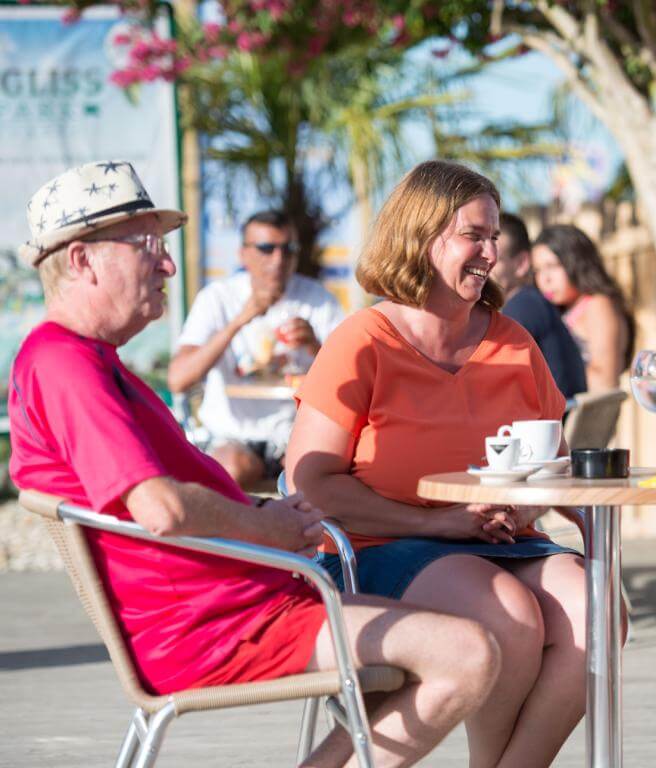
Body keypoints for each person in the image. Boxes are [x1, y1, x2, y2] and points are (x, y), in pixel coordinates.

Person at [8, 161, 499, 768]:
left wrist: (271, 514)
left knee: (452, 636)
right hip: (215, 628)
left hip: (239, 604)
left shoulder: (83, 362)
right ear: (82, 260)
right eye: (147, 246)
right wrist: (272, 529)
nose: (167, 264)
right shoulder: (65, 366)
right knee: (468, 654)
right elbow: (160, 508)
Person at [287, 161, 594, 767]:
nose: (491, 252)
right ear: (421, 237)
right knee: (511, 614)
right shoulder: (363, 340)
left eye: (494, 237)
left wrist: (586, 516)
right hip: (383, 546)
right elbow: (311, 484)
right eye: (474, 235)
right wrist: (442, 524)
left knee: (595, 609)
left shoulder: (513, 341)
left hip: (504, 540)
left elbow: (553, 464)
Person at [167, 210, 344, 488]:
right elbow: (178, 379)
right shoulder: (218, 298)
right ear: (243, 254)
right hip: (232, 436)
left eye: (289, 249)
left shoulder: (319, 300)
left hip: (294, 435)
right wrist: (238, 321)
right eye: (266, 248)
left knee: (317, 475)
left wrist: (314, 345)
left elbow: (348, 381)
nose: (278, 259)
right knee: (233, 468)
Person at [492, 212, 586, 400]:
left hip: (546, 425)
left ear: (521, 264)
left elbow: (493, 384)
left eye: (495, 258)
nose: (484, 264)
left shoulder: (521, 308)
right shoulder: (534, 302)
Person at [531, 224, 634, 391]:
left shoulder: (598, 305)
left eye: (552, 266)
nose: (544, 279)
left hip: (588, 414)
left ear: (577, 261)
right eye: (537, 270)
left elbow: (605, 382)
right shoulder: (565, 308)